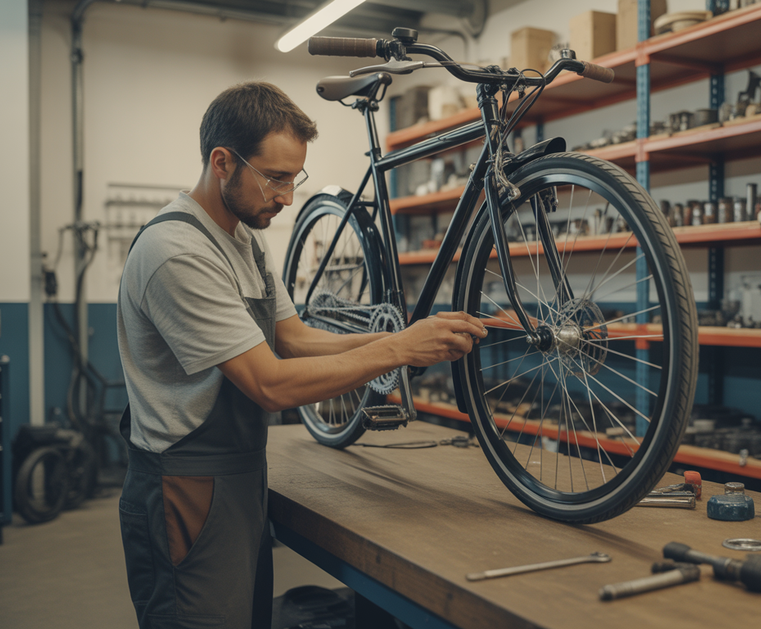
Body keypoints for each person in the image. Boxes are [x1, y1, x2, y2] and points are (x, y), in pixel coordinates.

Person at [115, 81, 486, 629]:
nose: (288, 197)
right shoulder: (177, 252)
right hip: (186, 488)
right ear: (222, 162)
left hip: (240, 475)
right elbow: (270, 384)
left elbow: (293, 338)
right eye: (276, 178)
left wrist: (403, 340)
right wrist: (397, 350)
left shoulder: (244, 238)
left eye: (295, 177)